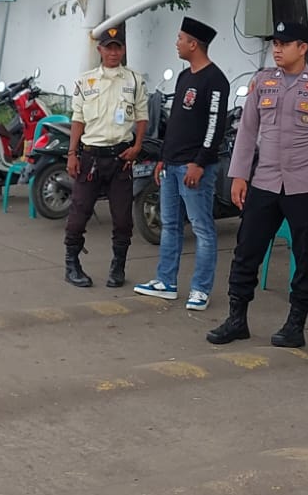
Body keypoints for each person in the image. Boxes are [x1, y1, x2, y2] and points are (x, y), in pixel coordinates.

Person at [206, 20, 308, 349]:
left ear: (303, 48)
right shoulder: (262, 81)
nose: (277, 50)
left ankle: (296, 323)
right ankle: (237, 318)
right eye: (275, 44)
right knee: (246, 251)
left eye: (285, 44)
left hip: (306, 186)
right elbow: (247, 131)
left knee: (305, 256)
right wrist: (239, 176)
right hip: (265, 181)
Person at [135, 17, 231, 310]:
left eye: (180, 38)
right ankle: (166, 281)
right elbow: (176, 122)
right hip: (172, 165)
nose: (176, 43)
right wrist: (163, 159)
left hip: (194, 168)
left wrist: (200, 163)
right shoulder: (183, 76)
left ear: (194, 44)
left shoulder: (215, 80)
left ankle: (200, 289)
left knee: (202, 228)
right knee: (170, 224)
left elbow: (215, 126)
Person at [63, 25, 148, 289]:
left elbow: (142, 116)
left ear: (123, 50)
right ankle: (71, 265)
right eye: (108, 48)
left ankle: (118, 266)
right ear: (99, 50)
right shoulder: (85, 81)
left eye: (117, 48)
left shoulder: (134, 80)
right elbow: (78, 119)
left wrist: (137, 146)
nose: (113, 53)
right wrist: (72, 153)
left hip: (120, 158)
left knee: (122, 219)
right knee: (79, 215)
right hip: (90, 158)